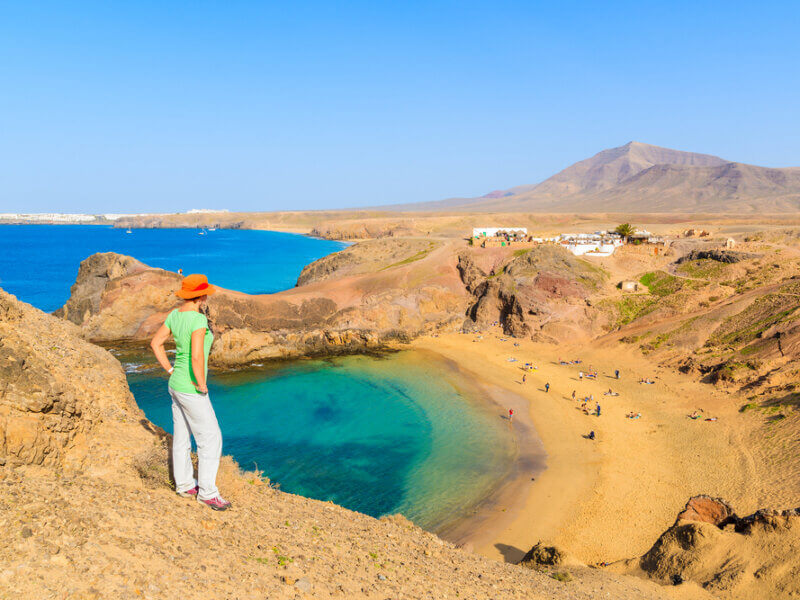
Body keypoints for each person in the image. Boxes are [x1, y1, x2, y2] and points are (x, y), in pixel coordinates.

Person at [150, 274, 231, 511]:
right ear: (201, 296)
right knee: (211, 438)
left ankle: (185, 485)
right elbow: (197, 356)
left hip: (175, 383)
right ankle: (207, 493)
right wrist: (202, 383)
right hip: (191, 387)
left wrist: (169, 368)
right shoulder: (197, 320)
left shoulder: (175, 315)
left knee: (183, 436)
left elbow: (156, 343)